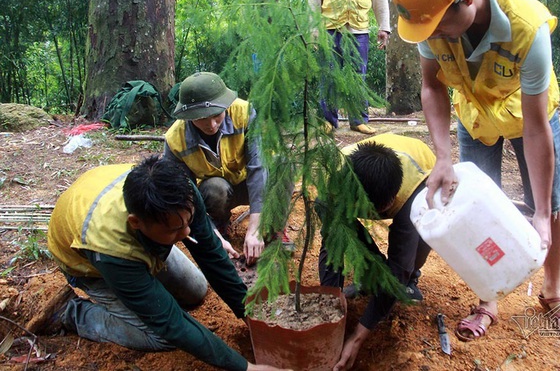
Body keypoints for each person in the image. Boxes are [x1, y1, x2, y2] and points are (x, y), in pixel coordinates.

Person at [389, 0, 560, 341]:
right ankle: (488, 298)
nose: (433, 35)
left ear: (468, 0)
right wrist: (443, 156)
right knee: (473, 209)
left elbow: (536, 125)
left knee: (553, 206)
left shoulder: (527, 26)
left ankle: (552, 292)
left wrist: (540, 212)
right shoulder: (432, 19)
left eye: (439, 25)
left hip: (528, 114)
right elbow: (431, 87)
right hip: (475, 116)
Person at [45, 156, 288, 371]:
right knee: (162, 337)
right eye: (174, 229)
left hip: (130, 229)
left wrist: (251, 316)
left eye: (188, 221)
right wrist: (245, 367)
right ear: (136, 222)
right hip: (90, 265)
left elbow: (211, 255)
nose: (186, 233)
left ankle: (154, 260)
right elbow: (170, 323)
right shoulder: (111, 248)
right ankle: (72, 313)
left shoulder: (179, 194)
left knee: (196, 290)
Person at [318, 133, 436, 370]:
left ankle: (411, 281)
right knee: (345, 232)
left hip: (423, 175)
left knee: (418, 244)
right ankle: (372, 275)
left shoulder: (414, 195)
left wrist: (358, 336)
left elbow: (398, 267)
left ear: (390, 201)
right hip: (359, 183)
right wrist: (332, 294)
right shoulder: (333, 184)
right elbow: (334, 244)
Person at [163, 71, 292, 266]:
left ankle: (273, 227)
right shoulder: (175, 139)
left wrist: (255, 228)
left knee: (283, 164)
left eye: (217, 116)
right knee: (216, 188)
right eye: (201, 119)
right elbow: (184, 195)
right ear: (189, 117)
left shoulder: (244, 112)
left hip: (250, 182)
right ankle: (220, 225)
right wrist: (212, 234)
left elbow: (258, 167)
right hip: (216, 192)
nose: (212, 125)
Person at [308, 0, 391, 135]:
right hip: (329, 30)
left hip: (358, 30)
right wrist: (313, 31)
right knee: (328, 76)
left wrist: (384, 27)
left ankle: (358, 120)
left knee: (358, 76)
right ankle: (327, 121)